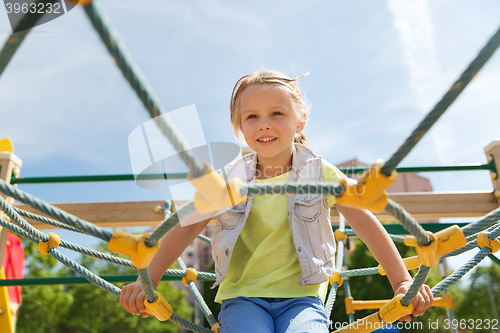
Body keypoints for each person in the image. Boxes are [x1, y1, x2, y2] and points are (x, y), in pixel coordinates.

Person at [120, 69, 434, 332]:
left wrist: (402, 282)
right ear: (241, 128)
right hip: (243, 296)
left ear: (300, 121)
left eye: (277, 114)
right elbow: (187, 227)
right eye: (252, 116)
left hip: (303, 298)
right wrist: (147, 280)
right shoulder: (229, 179)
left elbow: (364, 220)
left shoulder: (319, 172)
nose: (264, 124)